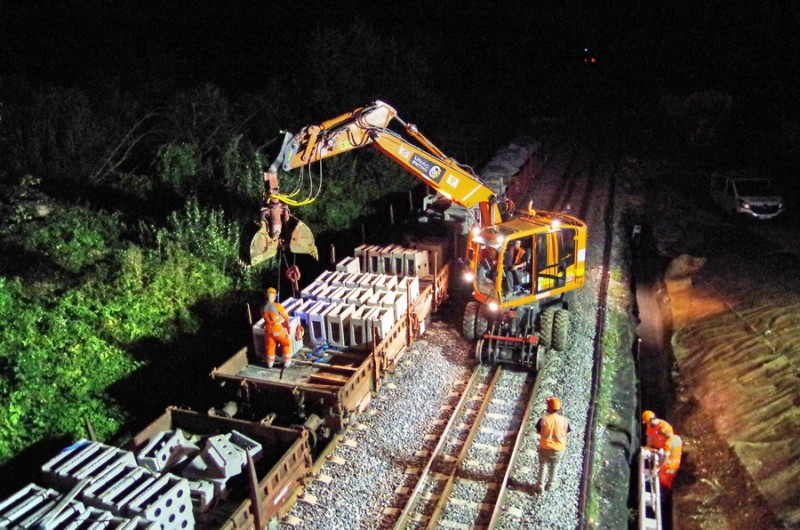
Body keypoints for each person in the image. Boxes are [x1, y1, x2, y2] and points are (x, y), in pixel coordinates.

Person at [534, 396, 571, 493]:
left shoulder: (543, 419)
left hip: (545, 447)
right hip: (559, 449)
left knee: (543, 465)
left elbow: (538, 431)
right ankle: (550, 485)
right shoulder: (564, 420)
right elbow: (567, 432)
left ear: (549, 408)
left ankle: (539, 487)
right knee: (554, 465)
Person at [262, 287, 293, 368]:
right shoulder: (277, 306)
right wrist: (284, 321)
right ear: (273, 296)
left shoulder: (262, 307)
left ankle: (270, 364)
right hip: (278, 330)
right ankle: (287, 362)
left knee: (270, 348)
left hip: (269, 332)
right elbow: (286, 316)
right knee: (286, 344)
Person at [656, 423, 682, 490]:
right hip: (676, 465)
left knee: (664, 482)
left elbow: (665, 458)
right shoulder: (677, 438)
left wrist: (658, 467)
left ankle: (665, 493)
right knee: (671, 481)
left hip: (668, 467)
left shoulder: (667, 444)